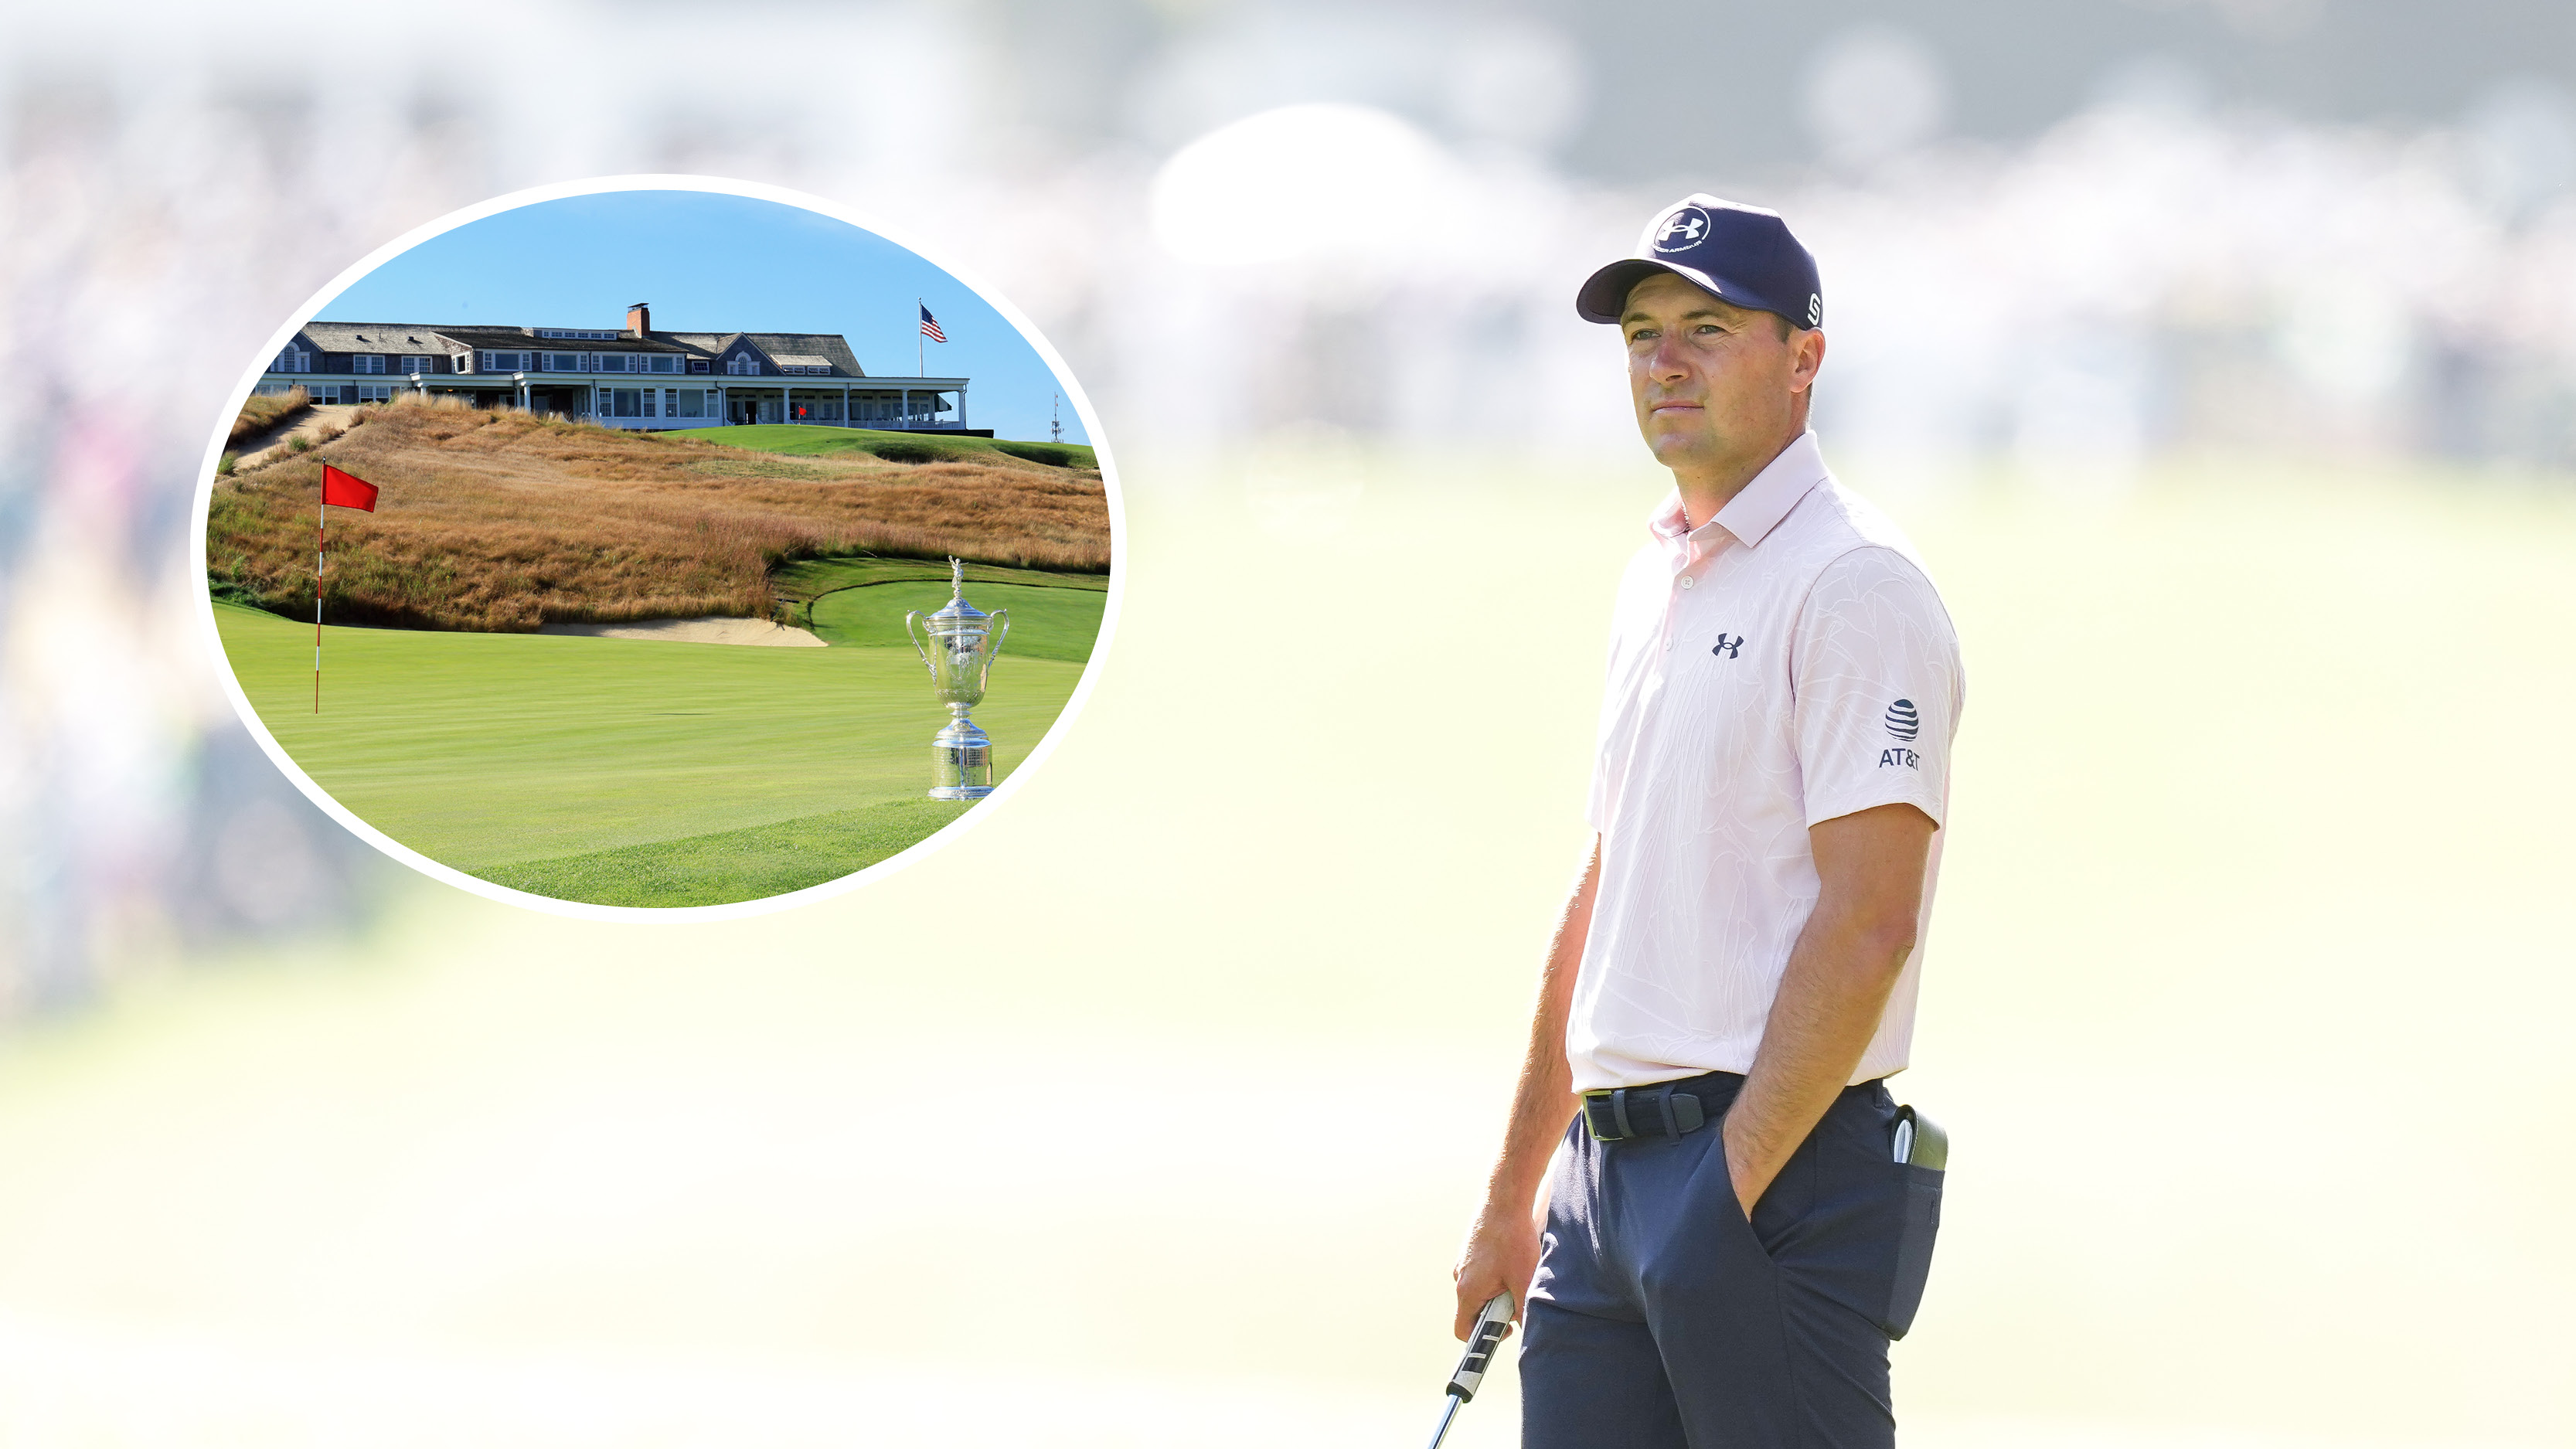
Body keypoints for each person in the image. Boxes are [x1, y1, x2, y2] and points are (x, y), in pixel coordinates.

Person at [1451, 195, 1964, 1448]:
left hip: (1763, 1173)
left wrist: (1720, 1192)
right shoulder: (1660, 573)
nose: (1662, 361)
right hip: (1600, 1184)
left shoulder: (1855, 587)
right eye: (1638, 333)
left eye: (1706, 328)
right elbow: (1607, 889)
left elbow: (1871, 920)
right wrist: (1516, 1194)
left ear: (1803, 359)